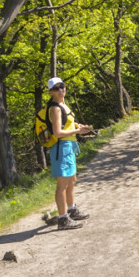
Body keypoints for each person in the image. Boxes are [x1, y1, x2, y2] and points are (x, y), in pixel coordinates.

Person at [46, 77, 93, 230]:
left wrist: (81, 127)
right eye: (57, 88)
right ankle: (62, 219)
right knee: (62, 185)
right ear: (51, 92)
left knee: (72, 180)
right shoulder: (55, 108)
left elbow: (69, 123)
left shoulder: (63, 105)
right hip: (61, 147)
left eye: (62, 86)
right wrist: (78, 131)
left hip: (69, 146)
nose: (61, 90)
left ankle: (71, 210)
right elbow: (58, 132)